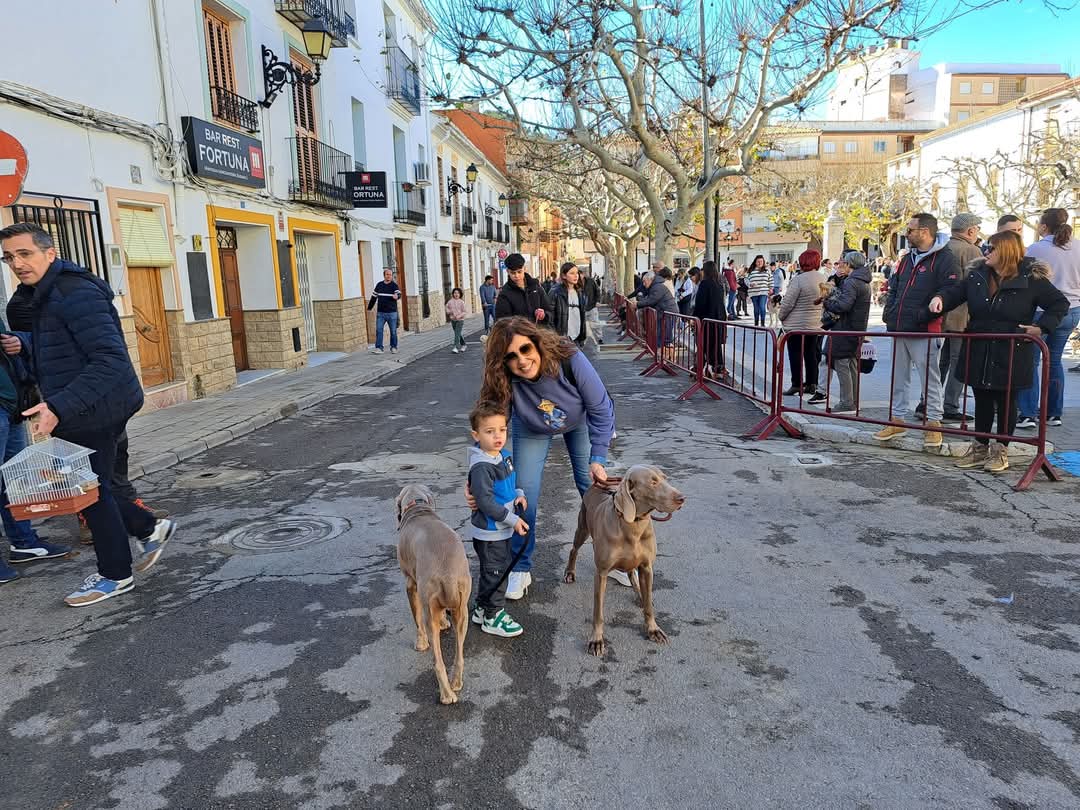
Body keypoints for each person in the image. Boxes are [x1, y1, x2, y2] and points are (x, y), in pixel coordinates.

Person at [0, 223, 176, 606]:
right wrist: (26, 346)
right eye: (9, 257)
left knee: (88, 493)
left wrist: (57, 406)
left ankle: (116, 574)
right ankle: (148, 527)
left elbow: (109, 360)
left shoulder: (73, 293)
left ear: (49, 253)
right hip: (83, 404)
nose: (17, 263)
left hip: (94, 407)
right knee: (93, 488)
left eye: (25, 253)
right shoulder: (41, 293)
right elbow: (60, 345)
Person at [474, 317, 616, 599]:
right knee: (523, 492)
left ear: (536, 342)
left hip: (578, 419)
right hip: (532, 426)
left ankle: (613, 553)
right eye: (510, 357)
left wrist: (598, 457)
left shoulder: (569, 357)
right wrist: (478, 474)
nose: (521, 361)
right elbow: (489, 425)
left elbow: (601, 409)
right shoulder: (504, 378)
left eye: (525, 349)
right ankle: (520, 566)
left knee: (593, 488)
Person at [930, 230, 1068, 472]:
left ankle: (1000, 450)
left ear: (1006, 251)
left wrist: (1041, 327)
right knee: (982, 397)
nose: (986, 251)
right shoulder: (978, 274)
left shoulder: (1031, 278)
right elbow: (956, 293)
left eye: (992, 248)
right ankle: (980, 447)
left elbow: (1059, 303)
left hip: (1012, 348)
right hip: (980, 345)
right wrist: (940, 298)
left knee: (1006, 401)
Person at [875, 213, 959, 449]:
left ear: (924, 231)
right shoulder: (907, 259)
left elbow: (952, 288)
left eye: (910, 230)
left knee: (929, 378)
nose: (906, 234)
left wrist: (934, 305)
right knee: (898, 376)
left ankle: (933, 423)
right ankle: (897, 419)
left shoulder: (945, 258)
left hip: (925, 328)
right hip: (900, 325)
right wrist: (890, 312)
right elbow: (895, 286)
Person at [1015, 208, 1080, 430]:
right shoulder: (1078, 246)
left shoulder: (1037, 248)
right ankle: (1054, 412)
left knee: (1031, 361)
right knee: (1054, 361)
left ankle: (1027, 413)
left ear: (1044, 226)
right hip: (1072, 309)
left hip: (1042, 311)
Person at [466, 400, 527, 637]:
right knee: (497, 573)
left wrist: (519, 494)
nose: (498, 436)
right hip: (491, 531)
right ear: (476, 435)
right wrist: (513, 520)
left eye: (502, 429)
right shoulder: (482, 467)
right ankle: (493, 616)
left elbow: (511, 484)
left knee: (492, 571)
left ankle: (482, 608)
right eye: (489, 431)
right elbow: (486, 502)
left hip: (501, 529)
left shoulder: (503, 456)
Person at [936, 213, 984, 422]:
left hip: (940, 312)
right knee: (958, 361)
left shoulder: (942, 248)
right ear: (971, 230)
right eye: (977, 229)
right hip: (960, 316)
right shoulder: (972, 250)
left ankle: (927, 402)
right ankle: (950, 405)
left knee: (941, 361)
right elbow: (978, 284)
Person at [811, 251, 871, 414]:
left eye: (844, 262)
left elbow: (843, 306)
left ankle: (847, 402)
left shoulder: (851, 281)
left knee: (842, 364)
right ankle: (853, 401)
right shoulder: (863, 280)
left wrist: (827, 303)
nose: (841, 264)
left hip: (845, 328)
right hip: (856, 328)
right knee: (851, 364)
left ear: (850, 264)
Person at [778, 250, 826, 396]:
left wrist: (781, 316)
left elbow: (788, 303)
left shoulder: (798, 280)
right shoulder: (823, 278)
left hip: (796, 325)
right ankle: (812, 383)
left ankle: (796, 384)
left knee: (795, 354)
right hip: (815, 323)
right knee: (811, 354)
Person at [494, 254, 553, 326]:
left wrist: (544, 315)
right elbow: (501, 322)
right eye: (513, 273)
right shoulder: (504, 294)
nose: (516, 276)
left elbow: (549, 311)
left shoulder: (536, 287)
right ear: (508, 271)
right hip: (518, 332)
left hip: (538, 331)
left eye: (519, 272)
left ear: (524, 269)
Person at [693, 260, 727, 380]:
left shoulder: (704, 284)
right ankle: (718, 368)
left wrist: (695, 317)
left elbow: (700, 303)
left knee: (705, 345)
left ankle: (704, 368)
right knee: (715, 345)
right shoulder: (719, 284)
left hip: (706, 319)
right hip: (718, 319)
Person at [637, 269, 679, 354]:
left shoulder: (657, 287)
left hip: (668, 312)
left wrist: (638, 304)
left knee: (666, 337)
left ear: (650, 279)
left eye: (644, 281)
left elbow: (652, 300)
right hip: (664, 312)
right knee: (661, 335)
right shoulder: (655, 286)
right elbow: (649, 299)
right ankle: (661, 354)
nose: (644, 284)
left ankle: (666, 356)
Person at [550, 262, 587, 347]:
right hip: (562, 339)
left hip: (577, 337)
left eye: (577, 273)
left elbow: (582, 316)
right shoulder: (555, 292)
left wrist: (582, 336)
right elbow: (549, 318)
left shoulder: (579, 292)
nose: (576, 276)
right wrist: (555, 338)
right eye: (572, 273)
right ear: (564, 276)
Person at [367, 268, 401, 354]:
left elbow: (398, 294)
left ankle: (393, 347)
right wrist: (369, 308)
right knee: (379, 330)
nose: (389, 276)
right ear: (384, 275)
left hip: (392, 313)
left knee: (393, 331)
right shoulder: (379, 285)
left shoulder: (394, 285)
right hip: (381, 313)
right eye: (387, 274)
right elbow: (374, 297)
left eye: (390, 275)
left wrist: (397, 296)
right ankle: (379, 348)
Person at [745, 256, 772, 326]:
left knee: (762, 307)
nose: (760, 263)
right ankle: (756, 323)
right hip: (753, 292)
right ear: (755, 262)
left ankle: (762, 323)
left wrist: (771, 288)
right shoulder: (751, 270)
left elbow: (771, 280)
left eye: (761, 261)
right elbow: (746, 279)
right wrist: (750, 284)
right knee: (756, 308)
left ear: (763, 262)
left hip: (763, 291)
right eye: (758, 261)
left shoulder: (767, 270)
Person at [446, 287, 468, 353]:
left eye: (458, 293)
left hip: (460, 320)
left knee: (457, 333)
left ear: (460, 294)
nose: (456, 294)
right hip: (453, 320)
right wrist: (450, 312)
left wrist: (459, 316)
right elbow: (447, 309)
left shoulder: (461, 302)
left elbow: (464, 311)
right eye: (455, 293)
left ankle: (456, 347)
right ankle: (464, 345)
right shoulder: (450, 302)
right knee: (458, 333)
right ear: (453, 294)